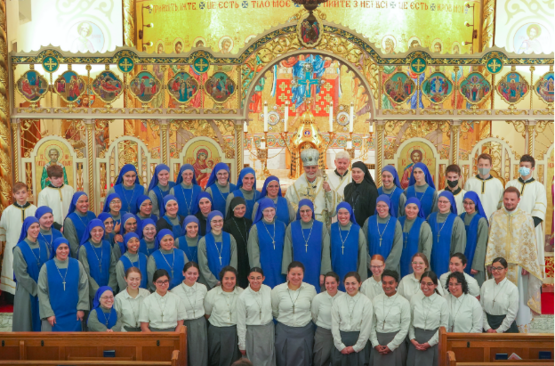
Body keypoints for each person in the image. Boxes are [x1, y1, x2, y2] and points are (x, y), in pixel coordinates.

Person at [486, 188, 542, 333]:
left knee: (519, 300)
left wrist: (527, 264)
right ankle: (498, 327)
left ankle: (520, 329)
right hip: (499, 267)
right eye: (506, 199)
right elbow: (491, 241)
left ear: (518, 200)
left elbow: (529, 243)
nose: (509, 202)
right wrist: (490, 263)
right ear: (503, 199)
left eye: (512, 199)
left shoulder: (526, 218)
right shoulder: (495, 217)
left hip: (518, 267)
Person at [506, 154, 547, 276]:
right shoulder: (510, 184)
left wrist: (525, 228)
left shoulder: (538, 187)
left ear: (532, 168)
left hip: (531, 230)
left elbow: (539, 211)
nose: (524, 168)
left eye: (527, 166)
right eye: (522, 165)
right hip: (511, 228)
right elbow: (504, 205)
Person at [271, 261, 317, 366]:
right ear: (287, 274)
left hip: (305, 331)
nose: (296, 277)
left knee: (305, 359)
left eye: (299, 274)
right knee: (282, 359)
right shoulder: (278, 290)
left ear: (303, 275)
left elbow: (314, 310)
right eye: (293, 274)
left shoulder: (311, 289)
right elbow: (274, 310)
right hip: (284, 331)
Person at [38, 238, 89, 331]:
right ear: (55, 249)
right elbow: (42, 292)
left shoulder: (77, 265)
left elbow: (83, 287)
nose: (64, 251)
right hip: (54, 316)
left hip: (74, 315)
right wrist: (48, 313)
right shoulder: (46, 267)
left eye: (66, 248)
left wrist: (81, 308)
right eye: (60, 248)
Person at [282, 199, 332, 289]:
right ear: (299, 212)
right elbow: (287, 251)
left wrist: (324, 273)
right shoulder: (292, 227)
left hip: (315, 269)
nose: (305, 214)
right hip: (296, 272)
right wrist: (288, 272)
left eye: (307, 210)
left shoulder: (321, 227)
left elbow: (326, 252)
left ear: (312, 211)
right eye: (302, 211)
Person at [0, 182, 37, 299]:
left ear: (28, 193)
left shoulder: (34, 210)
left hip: (31, 245)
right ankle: (12, 295)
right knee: (12, 267)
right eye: (18, 193)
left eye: (23, 192)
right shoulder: (8, 211)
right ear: (13, 195)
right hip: (12, 245)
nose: (21, 195)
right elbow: (2, 233)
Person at [12, 217, 49, 331]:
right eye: (32, 227)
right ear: (26, 229)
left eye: (37, 226)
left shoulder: (44, 245)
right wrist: (38, 290)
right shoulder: (19, 248)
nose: (36, 229)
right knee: (26, 323)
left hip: (44, 290)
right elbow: (21, 275)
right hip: (27, 291)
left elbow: (49, 267)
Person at [369, 269, 410, 366]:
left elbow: (405, 328)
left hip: (396, 343)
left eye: (390, 283)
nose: (387, 286)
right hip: (378, 342)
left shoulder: (403, 302)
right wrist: (375, 343)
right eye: (384, 283)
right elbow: (371, 324)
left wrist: (392, 345)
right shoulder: (376, 300)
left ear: (396, 283)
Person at [330, 272, 372, 366]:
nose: (350, 286)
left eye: (353, 283)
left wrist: (357, 347)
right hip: (341, 341)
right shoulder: (338, 301)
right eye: (347, 283)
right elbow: (334, 324)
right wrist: (340, 346)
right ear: (343, 284)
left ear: (359, 283)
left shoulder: (366, 302)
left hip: (359, 341)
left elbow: (366, 327)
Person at [407, 271, 448, 366]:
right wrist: (412, 339)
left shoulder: (442, 301)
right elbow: (410, 321)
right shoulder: (414, 298)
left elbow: (443, 326)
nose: (425, 287)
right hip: (415, 341)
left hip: (434, 341)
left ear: (435, 285)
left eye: (429, 284)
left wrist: (430, 343)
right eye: (423, 283)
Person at [204, 266, 243, 366]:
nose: (229, 281)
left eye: (232, 278)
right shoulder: (212, 294)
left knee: (234, 361)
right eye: (226, 278)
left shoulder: (242, 293)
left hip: (234, 332)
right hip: (216, 332)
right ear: (221, 279)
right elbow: (207, 314)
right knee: (216, 360)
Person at [236, 267, 275, 366]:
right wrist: (242, 344)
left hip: (268, 331)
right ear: (248, 278)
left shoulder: (268, 290)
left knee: (269, 359)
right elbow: (241, 323)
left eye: (258, 278)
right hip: (252, 333)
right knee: (254, 361)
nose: (255, 281)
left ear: (263, 278)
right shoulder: (242, 297)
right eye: (252, 278)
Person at [172, 262, 209, 366]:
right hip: (184, 324)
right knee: (186, 352)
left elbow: (206, 307)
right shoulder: (175, 291)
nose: (192, 276)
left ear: (198, 274)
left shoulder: (203, 288)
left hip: (200, 323)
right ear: (183, 273)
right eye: (189, 273)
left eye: (195, 274)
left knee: (200, 352)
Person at [285, 148, 335, 224]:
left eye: (313, 167)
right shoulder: (294, 187)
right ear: (304, 167)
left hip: (321, 224)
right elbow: (289, 206)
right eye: (308, 168)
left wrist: (328, 191)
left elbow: (333, 210)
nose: (311, 170)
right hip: (303, 223)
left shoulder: (325, 183)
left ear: (317, 167)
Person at [247, 198, 286, 288]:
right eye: (266, 211)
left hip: (280, 267)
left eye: (272, 210)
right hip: (264, 268)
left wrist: (286, 269)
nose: (269, 214)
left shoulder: (282, 226)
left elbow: (287, 249)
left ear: (275, 210)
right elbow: (253, 253)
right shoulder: (256, 228)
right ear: (261, 211)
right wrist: (257, 273)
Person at [427, 191, 466, 278]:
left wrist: (455, 264)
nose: (442, 204)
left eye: (445, 202)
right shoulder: (430, 217)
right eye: (440, 201)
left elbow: (459, 244)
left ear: (451, 203)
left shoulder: (457, 221)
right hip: (431, 258)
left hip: (448, 260)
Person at [330, 202, 367, 291]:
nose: (343, 216)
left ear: (350, 214)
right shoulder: (330, 229)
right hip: (334, 270)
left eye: (346, 213)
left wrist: (361, 277)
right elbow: (326, 253)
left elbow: (362, 256)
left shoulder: (357, 230)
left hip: (352, 271)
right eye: (340, 213)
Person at [79, 219, 117, 300]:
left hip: (109, 290)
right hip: (93, 292)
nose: (97, 233)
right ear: (90, 232)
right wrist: (98, 292)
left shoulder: (107, 245)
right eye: (94, 231)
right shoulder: (84, 248)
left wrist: (109, 289)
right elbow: (85, 273)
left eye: (100, 230)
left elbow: (113, 267)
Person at [198, 211, 238, 289]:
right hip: (210, 283)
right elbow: (203, 265)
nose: (218, 223)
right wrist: (215, 282)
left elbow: (234, 260)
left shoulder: (230, 238)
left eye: (220, 221)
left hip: (228, 282)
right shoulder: (203, 241)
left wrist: (229, 278)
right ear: (210, 223)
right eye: (214, 221)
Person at [311, 272, 344, 366]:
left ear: (338, 283)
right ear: (324, 284)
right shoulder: (318, 298)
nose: (330, 286)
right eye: (327, 283)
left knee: (339, 360)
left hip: (341, 333)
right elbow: (314, 315)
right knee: (321, 359)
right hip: (323, 333)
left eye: (333, 283)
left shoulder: (344, 297)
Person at [363, 195, 402, 273]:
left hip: (389, 267)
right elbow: (363, 245)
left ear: (389, 206)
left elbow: (397, 247)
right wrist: (371, 264)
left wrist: (385, 266)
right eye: (379, 206)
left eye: (384, 206)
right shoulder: (369, 221)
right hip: (371, 267)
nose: (381, 208)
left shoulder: (396, 223)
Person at [480, 257, 520, 333]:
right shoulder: (485, 285)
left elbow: (512, 313)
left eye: (499, 268)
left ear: (506, 269)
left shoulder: (512, 288)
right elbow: (481, 308)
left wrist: (499, 330)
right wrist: (487, 327)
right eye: (493, 268)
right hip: (487, 324)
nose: (496, 271)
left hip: (506, 326)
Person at [398, 198, 432, 277]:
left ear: (419, 209)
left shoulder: (424, 225)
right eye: (408, 207)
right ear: (405, 208)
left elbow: (426, 249)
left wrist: (422, 266)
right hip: (400, 263)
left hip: (417, 265)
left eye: (414, 208)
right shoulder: (398, 221)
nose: (411, 210)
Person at [460, 192, 489, 286]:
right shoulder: (460, 217)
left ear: (476, 204)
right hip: (461, 259)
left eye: (470, 203)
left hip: (474, 260)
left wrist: (476, 265)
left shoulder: (481, 221)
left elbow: (481, 244)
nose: (467, 206)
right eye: (465, 202)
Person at [463, 153, 504, 220]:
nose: (483, 167)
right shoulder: (470, 182)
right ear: (477, 165)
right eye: (481, 165)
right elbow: (465, 202)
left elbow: (501, 205)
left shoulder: (497, 183)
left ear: (491, 166)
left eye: (486, 165)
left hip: (492, 219)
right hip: (473, 219)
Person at [224, 197, 253, 288]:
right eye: (237, 208)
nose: (241, 211)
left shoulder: (249, 222)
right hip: (236, 259)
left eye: (242, 208)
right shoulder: (227, 225)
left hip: (248, 258)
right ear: (232, 210)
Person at [115, 267, 150, 332]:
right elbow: (117, 320)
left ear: (141, 279)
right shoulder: (119, 298)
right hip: (125, 333)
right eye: (131, 279)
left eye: (137, 279)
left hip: (144, 332)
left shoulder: (147, 294)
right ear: (125, 279)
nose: (134, 282)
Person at [344, 161, 379, 227]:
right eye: (353, 172)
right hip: (349, 226)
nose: (356, 174)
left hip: (365, 226)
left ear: (364, 173)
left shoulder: (371, 190)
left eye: (358, 172)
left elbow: (373, 212)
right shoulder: (347, 188)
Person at [63, 192, 96, 258]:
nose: (85, 204)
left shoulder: (92, 215)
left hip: (95, 254)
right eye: (81, 202)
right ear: (75, 203)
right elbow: (73, 247)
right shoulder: (69, 220)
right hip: (81, 257)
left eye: (86, 201)